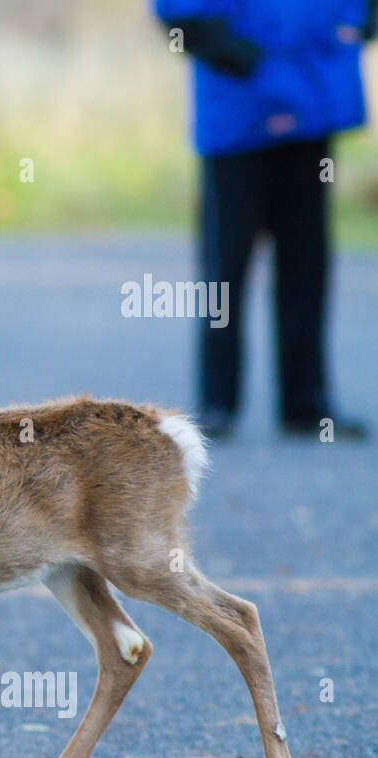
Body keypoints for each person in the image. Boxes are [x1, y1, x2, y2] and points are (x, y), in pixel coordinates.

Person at [154, 0, 376, 440]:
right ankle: (217, 402)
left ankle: (306, 402)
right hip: (237, 117)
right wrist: (251, 62)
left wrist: (356, 26)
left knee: (306, 261)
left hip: (313, 110)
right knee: (225, 265)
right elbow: (178, 13)